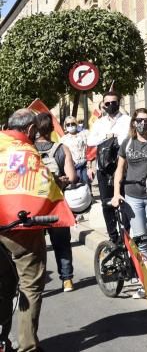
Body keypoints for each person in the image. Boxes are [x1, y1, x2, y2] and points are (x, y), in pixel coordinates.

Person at [0, 109, 46, 352]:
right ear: (29, 130)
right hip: (20, 229)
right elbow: (42, 186)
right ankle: (27, 346)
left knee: (2, 287)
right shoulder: (27, 152)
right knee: (30, 285)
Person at [110, 109, 147, 257]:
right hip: (132, 196)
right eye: (139, 120)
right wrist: (116, 194)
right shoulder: (127, 143)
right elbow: (119, 169)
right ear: (134, 122)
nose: (143, 123)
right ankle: (146, 277)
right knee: (142, 239)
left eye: (146, 120)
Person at [34, 113, 77, 293]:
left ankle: (35, 281)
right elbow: (73, 178)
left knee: (35, 245)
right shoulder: (62, 149)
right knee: (62, 243)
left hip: (34, 205)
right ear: (52, 129)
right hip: (57, 204)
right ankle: (67, 280)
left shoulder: (28, 149)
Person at [87, 91, 131, 243]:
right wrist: (106, 137)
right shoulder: (99, 123)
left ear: (119, 103)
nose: (111, 105)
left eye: (114, 102)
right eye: (107, 103)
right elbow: (91, 141)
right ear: (103, 105)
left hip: (123, 166)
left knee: (124, 200)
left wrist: (117, 139)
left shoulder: (128, 120)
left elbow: (131, 138)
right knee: (107, 202)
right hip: (104, 168)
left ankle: (127, 234)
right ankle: (113, 236)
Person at [61, 116, 89, 184]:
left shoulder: (84, 134)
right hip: (72, 167)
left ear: (76, 124)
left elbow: (90, 148)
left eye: (72, 123)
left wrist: (90, 164)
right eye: (68, 124)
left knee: (86, 187)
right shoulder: (63, 139)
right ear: (65, 126)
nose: (70, 125)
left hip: (84, 166)